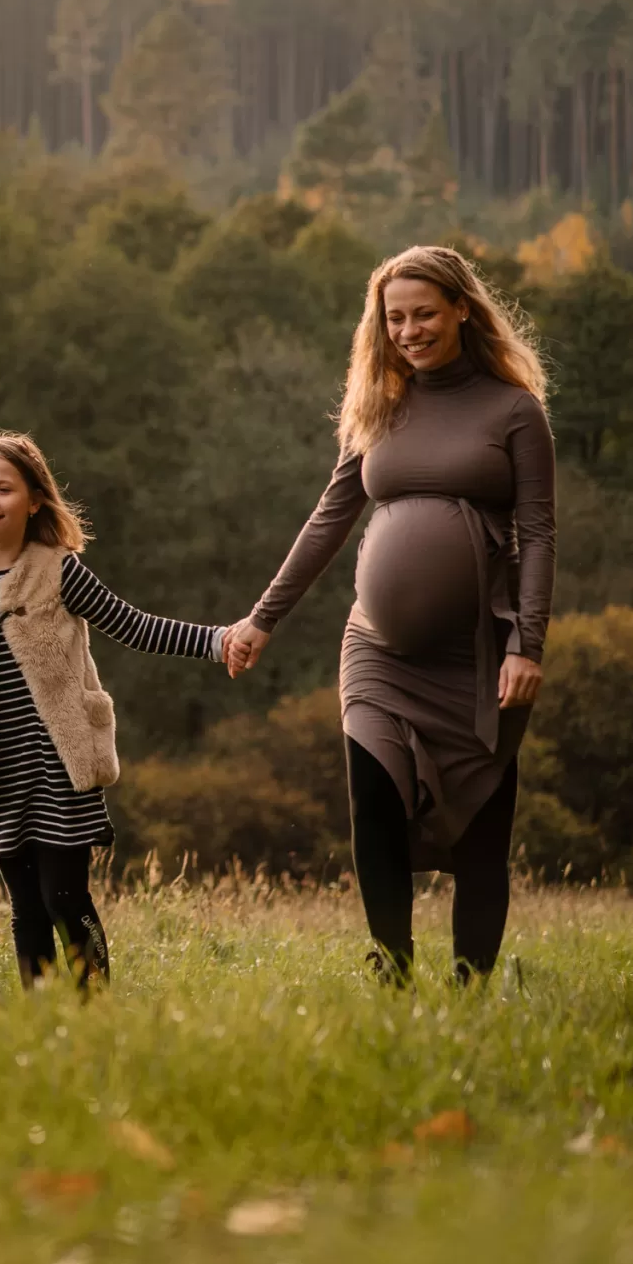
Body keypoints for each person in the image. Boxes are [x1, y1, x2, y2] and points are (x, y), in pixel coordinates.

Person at [224, 245, 554, 984]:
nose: (409, 329)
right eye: (395, 317)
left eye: (424, 313)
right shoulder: (380, 405)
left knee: (480, 827)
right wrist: (260, 619)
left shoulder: (514, 410)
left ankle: (470, 988)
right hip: (376, 650)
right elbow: (328, 519)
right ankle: (393, 971)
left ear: (462, 309)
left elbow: (539, 532)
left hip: (478, 654)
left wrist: (527, 644)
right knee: (371, 797)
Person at [0, 432, 230, 990]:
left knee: (64, 897)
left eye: (3, 489)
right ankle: (43, 1021)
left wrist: (215, 641)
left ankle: (93, 1006)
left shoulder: (59, 569)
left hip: (57, 762)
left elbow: (133, 625)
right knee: (25, 907)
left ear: (33, 499)